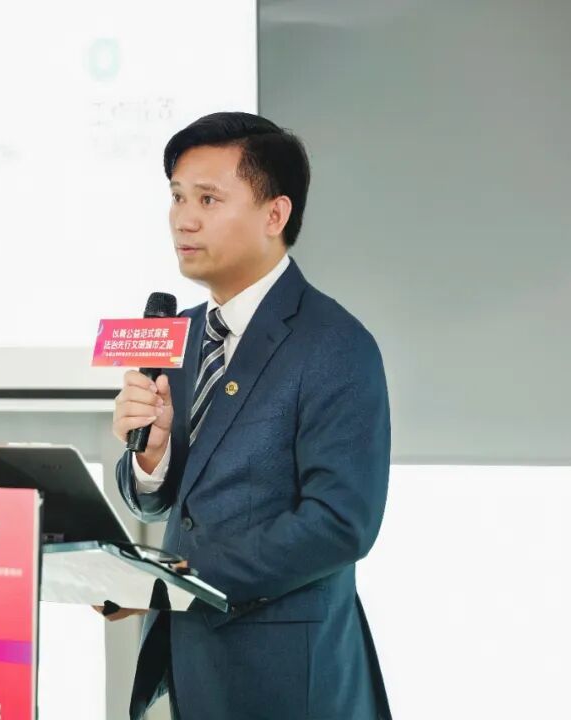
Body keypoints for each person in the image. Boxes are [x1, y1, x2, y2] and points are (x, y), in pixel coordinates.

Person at [110, 112, 392, 719]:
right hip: (193, 665)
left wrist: (177, 579)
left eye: (208, 199)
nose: (184, 219)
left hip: (289, 676)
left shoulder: (335, 343)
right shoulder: (181, 332)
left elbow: (340, 524)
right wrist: (151, 459)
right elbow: (162, 500)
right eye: (178, 197)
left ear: (274, 215)